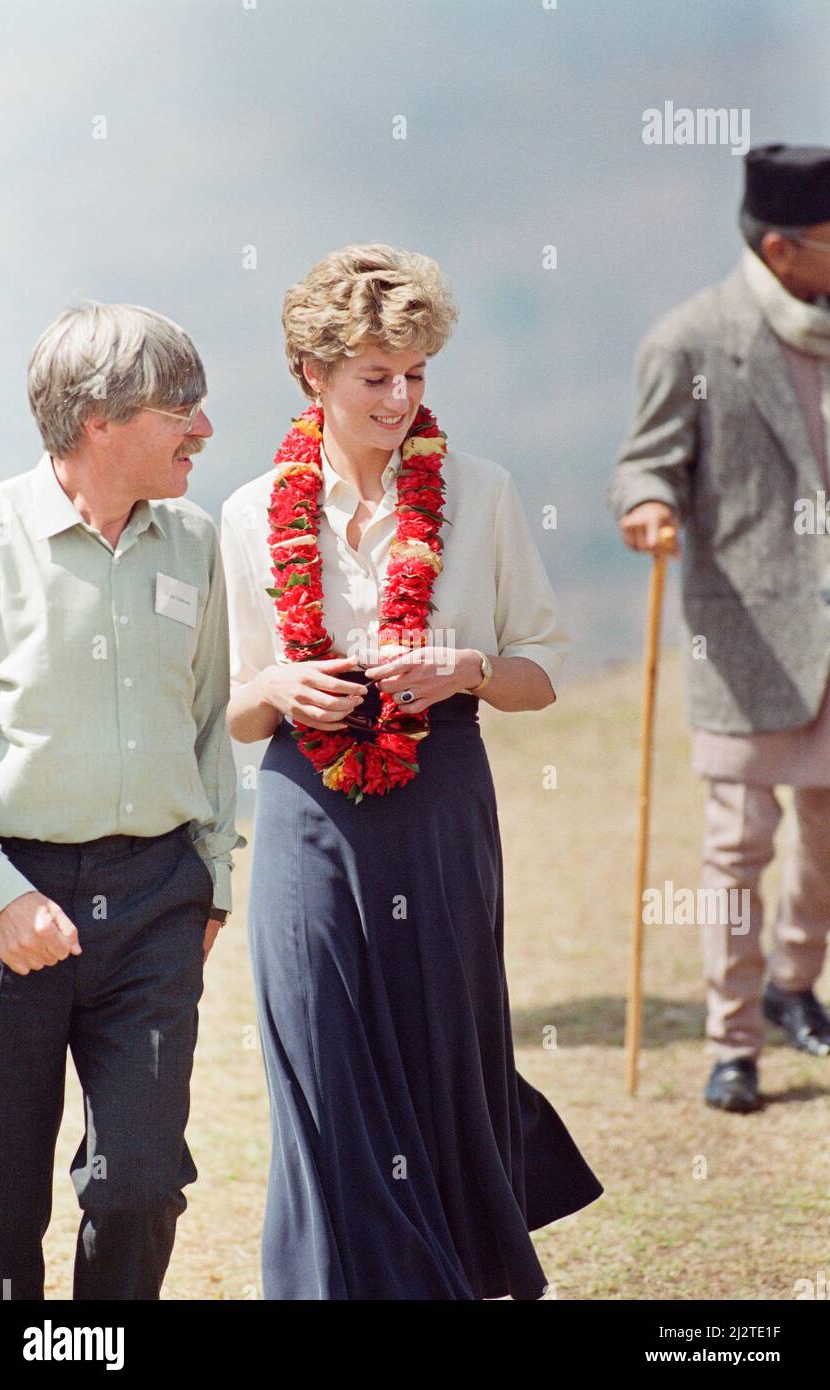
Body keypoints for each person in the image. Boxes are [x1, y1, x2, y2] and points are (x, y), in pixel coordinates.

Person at [221, 242, 603, 1300]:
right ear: (313, 375)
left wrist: (467, 667)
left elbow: (540, 675)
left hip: (440, 805)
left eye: (416, 374)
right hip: (305, 805)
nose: (398, 398)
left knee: (442, 1046)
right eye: (374, 376)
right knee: (320, 1051)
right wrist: (285, 690)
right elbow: (232, 705)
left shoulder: (479, 495)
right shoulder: (250, 514)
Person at [0, 302, 244, 1299]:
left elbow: (211, 719)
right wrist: (0, 898)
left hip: (156, 900)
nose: (203, 429)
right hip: (3, 904)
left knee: (139, 1185)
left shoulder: (194, 542)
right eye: (182, 407)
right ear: (99, 421)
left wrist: (210, 880)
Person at [609, 145, 830, 1113]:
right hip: (741, 639)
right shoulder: (690, 341)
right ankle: (730, 1039)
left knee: (824, 843)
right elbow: (643, 463)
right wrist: (647, 509)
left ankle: (791, 985)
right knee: (735, 850)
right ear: (780, 249)